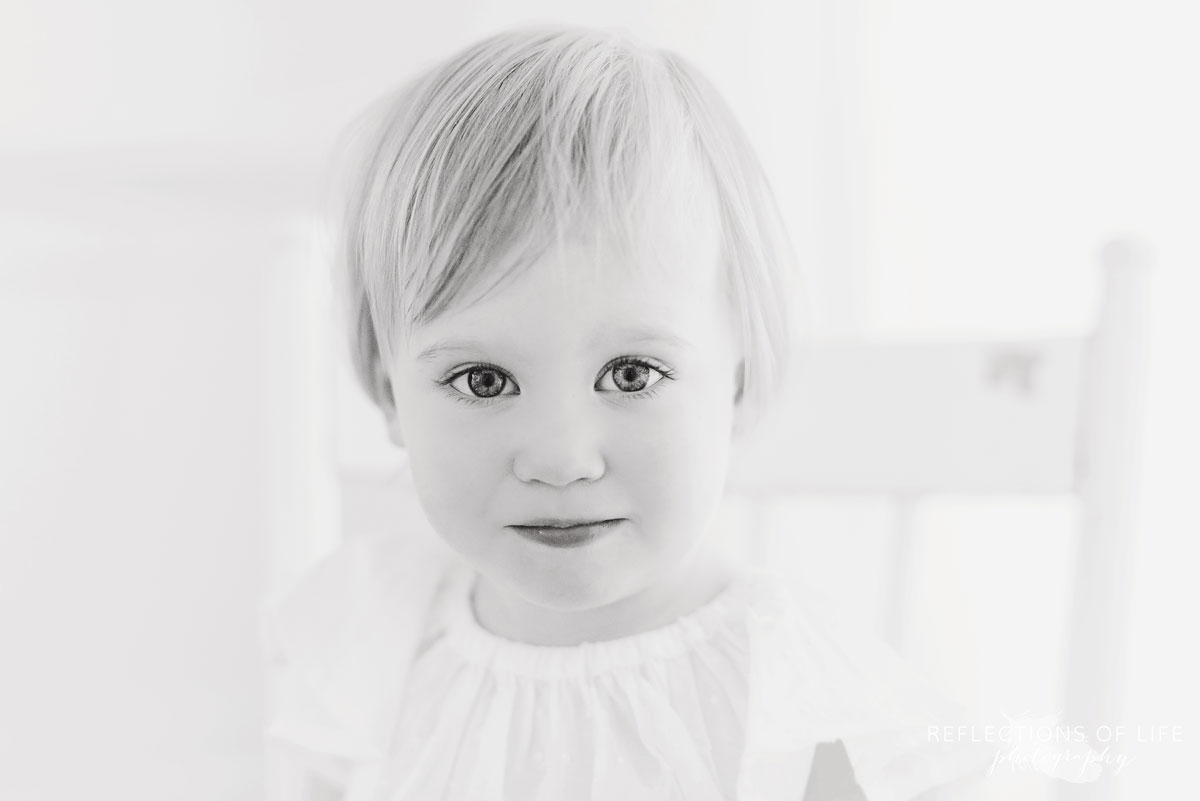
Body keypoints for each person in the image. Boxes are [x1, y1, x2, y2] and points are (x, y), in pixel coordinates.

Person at [261, 24, 997, 800]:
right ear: (387, 392)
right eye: (482, 380)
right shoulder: (375, 645)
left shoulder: (800, 709)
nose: (560, 456)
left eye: (632, 372)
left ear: (736, 379)